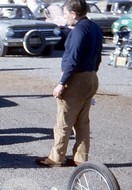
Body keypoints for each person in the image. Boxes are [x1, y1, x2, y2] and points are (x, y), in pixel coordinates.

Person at [35, 0, 102, 167]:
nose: (64, 17)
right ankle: (80, 158)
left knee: (63, 122)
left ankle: (56, 157)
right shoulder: (94, 27)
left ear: (74, 13)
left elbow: (73, 58)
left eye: (65, 13)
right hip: (91, 77)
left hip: (76, 79)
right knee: (82, 122)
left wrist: (61, 83)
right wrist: (91, 73)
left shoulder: (78, 30)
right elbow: (98, 56)